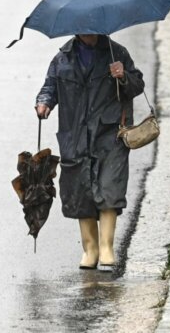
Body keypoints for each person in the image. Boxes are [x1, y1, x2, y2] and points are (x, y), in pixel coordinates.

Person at [35, 34, 144, 272]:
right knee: (80, 191)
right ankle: (90, 249)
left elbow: (137, 85)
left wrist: (123, 76)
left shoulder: (118, 53)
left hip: (110, 133)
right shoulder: (62, 59)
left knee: (109, 186)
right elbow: (49, 87)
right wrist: (44, 103)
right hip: (75, 135)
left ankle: (107, 247)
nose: (88, 32)